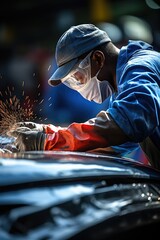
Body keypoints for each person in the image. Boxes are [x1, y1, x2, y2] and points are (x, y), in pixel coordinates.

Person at [9, 23, 160, 169]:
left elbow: (128, 121)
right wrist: (49, 133)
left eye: (77, 76)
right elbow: (117, 142)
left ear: (98, 59)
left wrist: (48, 141)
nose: (78, 84)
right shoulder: (121, 89)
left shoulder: (140, 68)